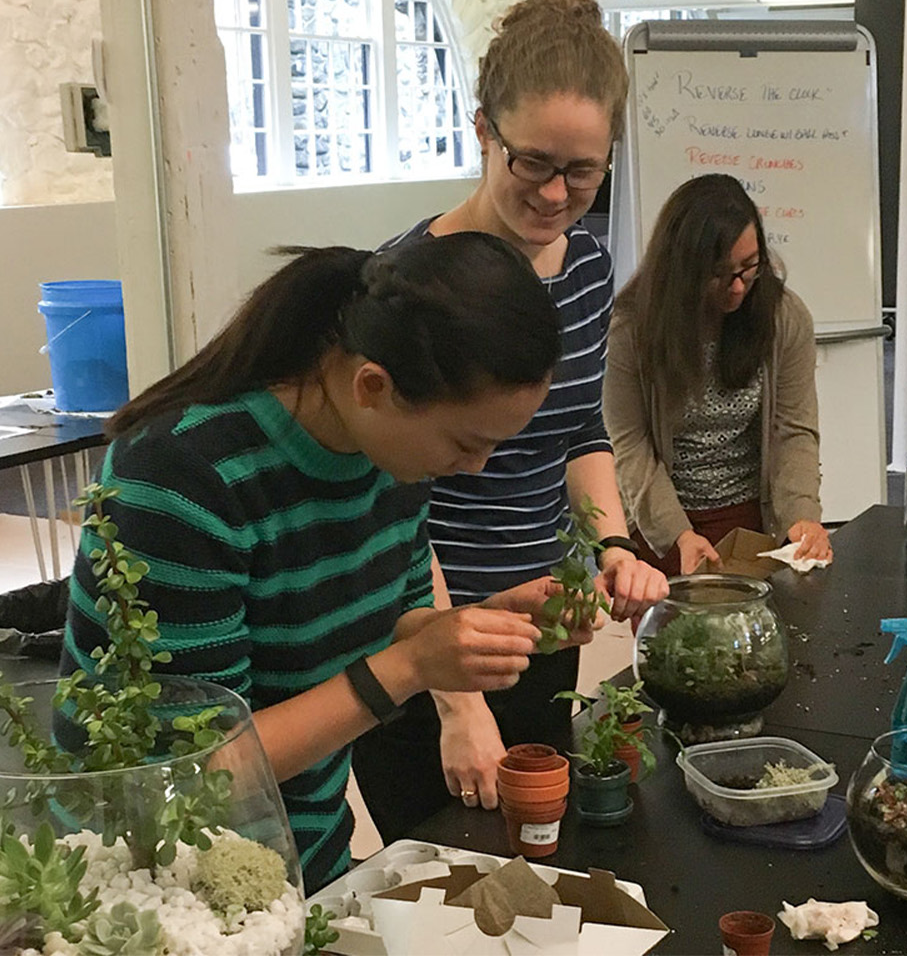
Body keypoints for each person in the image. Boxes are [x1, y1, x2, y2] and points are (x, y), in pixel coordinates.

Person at [61, 233, 566, 894]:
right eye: (467, 442)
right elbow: (203, 771)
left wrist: (479, 631)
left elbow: (399, 618)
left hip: (299, 860)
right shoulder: (183, 473)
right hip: (149, 884)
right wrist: (409, 668)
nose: (476, 468)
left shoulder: (391, 455)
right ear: (373, 386)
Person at [352, 0, 669, 842]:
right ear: (483, 127)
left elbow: (578, 430)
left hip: (541, 625)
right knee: (438, 872)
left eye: (585, 171)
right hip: (425, 636)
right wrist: (456, 702)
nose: (558, 193)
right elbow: (388, 513)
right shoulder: (410, 285)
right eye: (533, 162)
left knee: (537, 861)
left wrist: (609, 546)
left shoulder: (589, 270)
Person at [604, 173, 832, 577]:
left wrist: (802, 515)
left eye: (749, 267)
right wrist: (678, 534)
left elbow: (793, 431)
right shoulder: (632, 331)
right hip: (662, 518)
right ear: (681, 270)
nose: (738, 288)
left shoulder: (783, 316)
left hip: (750, 518)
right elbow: (631, 448)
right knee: (678, 635)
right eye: (719, 274)